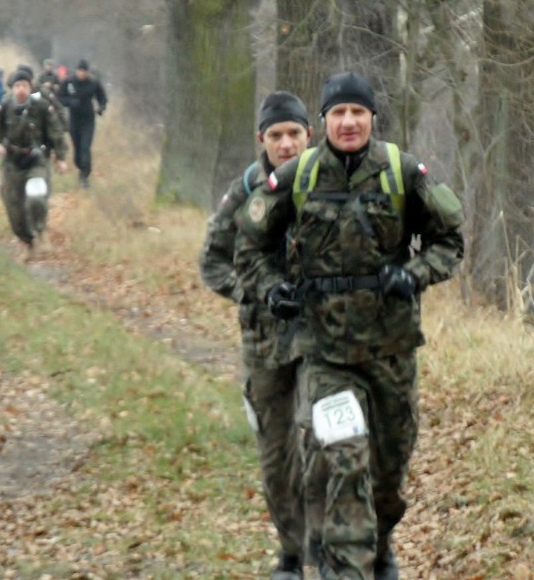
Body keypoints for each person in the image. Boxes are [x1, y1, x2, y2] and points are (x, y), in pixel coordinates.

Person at [235, 73, 465, 580]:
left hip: (391, 352)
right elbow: (249, 246)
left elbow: (451, 240)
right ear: (323, 122)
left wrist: (413, 274)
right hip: (325, 355)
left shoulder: (402, 173)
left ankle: (380, 547)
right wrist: (272, 288)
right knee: (342, 463)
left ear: (372, 119)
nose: (347, 122)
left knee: (386, 477)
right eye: (337, 113)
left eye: (357, 113)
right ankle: (347, 570)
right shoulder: (297, 176)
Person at [199, 92, 313, 580]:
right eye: (276, 136)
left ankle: (332, 548)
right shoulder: (245, 191)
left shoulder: (332, 186)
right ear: (261, 141)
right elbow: (212, 260)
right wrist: (256, 293)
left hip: (324, 340)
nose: (286, 144)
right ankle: (291, 552)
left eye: (294, 134)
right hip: (265, 345)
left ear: (311, 135)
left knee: (326, 443)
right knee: (277, 453)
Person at [0, 68, 69, 260]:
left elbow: (56, 131)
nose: (21, 90)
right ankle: (27, 242)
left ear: (30, 87)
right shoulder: (5, 106)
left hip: (37, 160)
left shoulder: (41, 106)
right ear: (12, 89)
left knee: (36, 195)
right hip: (12, 163)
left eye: (24, 85)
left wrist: (61, 157)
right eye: (17, 86)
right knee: (14, 209)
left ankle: (40, 231)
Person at [61, 58, 107, 188]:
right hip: (74, 120)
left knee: (85, 147)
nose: (82, 74)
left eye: (84, 71)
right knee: (77, 151)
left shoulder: (93, 83)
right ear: (76, 71)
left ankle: (84, 176)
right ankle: (81, 166)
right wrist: (70, 102)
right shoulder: (69, 82)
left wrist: (101, 107)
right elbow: (60, 98)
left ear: (87, 72)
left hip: (88, 120)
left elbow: (102, 97)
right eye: (80, 71)